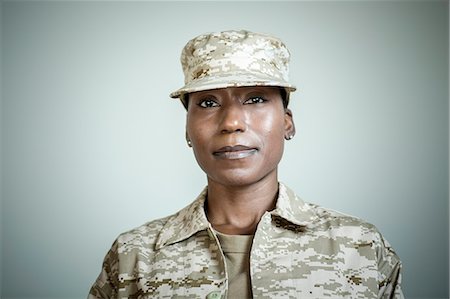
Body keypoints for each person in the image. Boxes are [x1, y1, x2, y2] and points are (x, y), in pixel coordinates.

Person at [88, 29, 403, 299]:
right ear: (187, 130)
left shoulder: (359, 248)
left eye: (255, 99)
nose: (232, 122)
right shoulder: (135, 256)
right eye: (208, 103)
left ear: (287, 123)